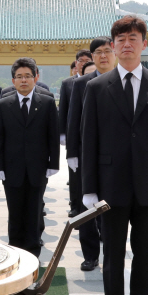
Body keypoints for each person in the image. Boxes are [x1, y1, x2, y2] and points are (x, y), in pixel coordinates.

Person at [81, 15, 148, 295]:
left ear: (143, 44)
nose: (126, 44)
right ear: (112, 46)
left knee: (144, 256)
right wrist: (88, 187)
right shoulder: (97, 87)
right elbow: (88, 140)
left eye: (133, 39)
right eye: (120, 40)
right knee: (112, 257)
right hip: (111, 186)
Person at [0, 58, 59, 257]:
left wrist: (53, 163)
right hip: (11, 168)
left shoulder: (46, 103)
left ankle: (33, 252)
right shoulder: (3, 105)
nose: (23, 80)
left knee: (35, 210)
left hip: (38, 168)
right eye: (19, 77)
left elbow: (52, 136)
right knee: (15, 211)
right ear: (13, 81)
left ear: (35, 78)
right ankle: (15, 250)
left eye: (28, 76)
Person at [66, 36, 116, 272]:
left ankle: (112, 253)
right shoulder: (81, 84)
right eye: (98, 52)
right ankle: (90, 255)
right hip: (86, 157)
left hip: (115, 159)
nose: (103, 56)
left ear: (114, 53)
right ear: (93, 57)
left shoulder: (123, 80)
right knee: (86, 207)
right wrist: (72, 153)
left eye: (108, 51)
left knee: (113, 207)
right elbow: (73, 120)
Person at [60, 49, 92, 218]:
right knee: (75, 174)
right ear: (76, 63)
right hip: (76, 135)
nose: (84, 63)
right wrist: (63, 133)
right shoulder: (68, 83)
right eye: (81, 60)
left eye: (88, 60)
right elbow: (65, 110)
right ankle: (75, 205)